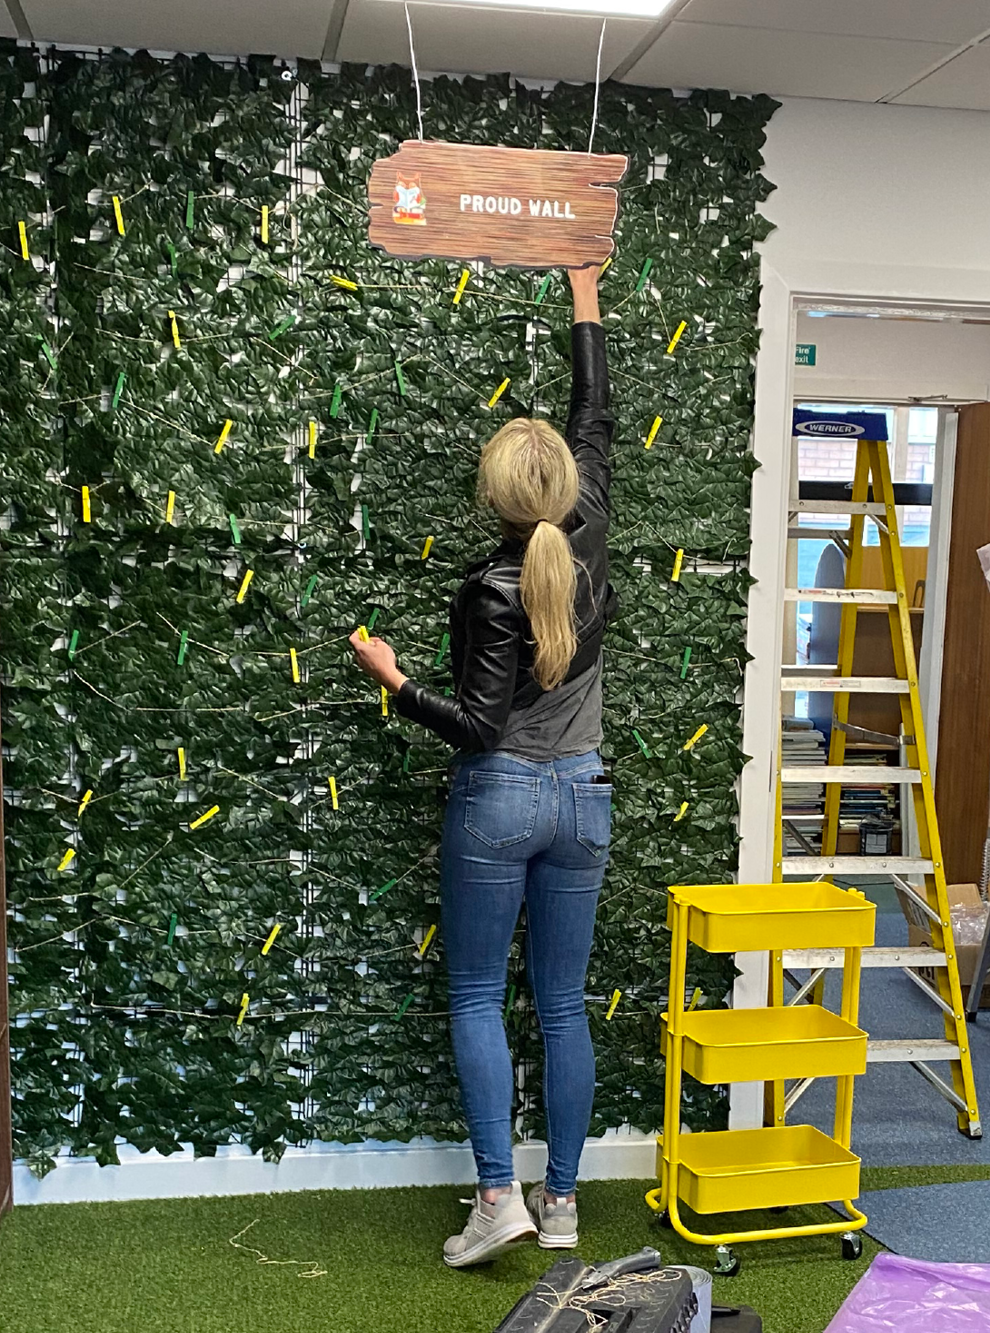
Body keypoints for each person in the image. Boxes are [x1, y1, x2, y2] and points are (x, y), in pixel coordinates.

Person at [348, 266, 614, 1268]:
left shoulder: (488, 581)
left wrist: (391, 677)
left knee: (473, 993)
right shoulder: (589, 531)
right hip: (585, 795)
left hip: (499, 797)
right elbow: (595, 411)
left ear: (494, 497)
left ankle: (497, 1194)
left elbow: (475, 726)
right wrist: (582, 294)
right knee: (561, 1003)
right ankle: (564, 1204)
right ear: (568, 486)